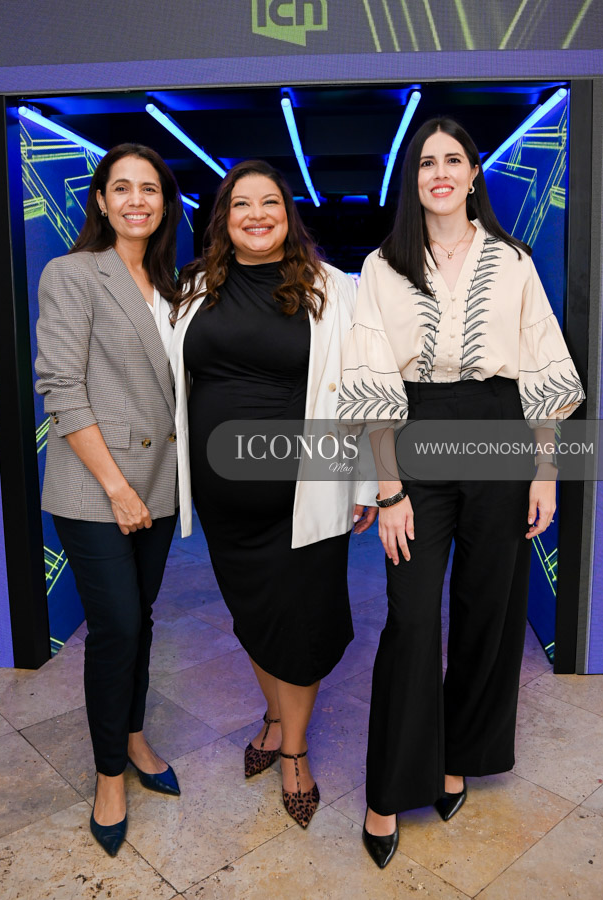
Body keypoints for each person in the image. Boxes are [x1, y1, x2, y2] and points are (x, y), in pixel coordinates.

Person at [337, 117, 585, 868]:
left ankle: (458, 756)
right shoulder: (382, 265)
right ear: (411, 179)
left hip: (500, 428)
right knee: (411, 617)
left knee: (489, 610)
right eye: (425, 162)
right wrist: (389, 491)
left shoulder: (513, 260)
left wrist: (545, 471)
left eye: (452, 159)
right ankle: (387, 790)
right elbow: (371, 376)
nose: (439, 172)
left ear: (474, 173)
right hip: (415, 431)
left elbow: (541, 364)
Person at [170, 159, 377, 828]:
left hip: (305, 492)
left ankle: (293, 749)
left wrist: (364, 480)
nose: (256, 215)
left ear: (288, 216)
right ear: (223, 219)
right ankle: (274, 715)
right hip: (223, 500)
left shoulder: (332, 288)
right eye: (241, 204)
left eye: (269, 203)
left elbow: (363, 385)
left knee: (304, 623)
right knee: (253, 615)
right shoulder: (193, 288)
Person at [35, 143, 184, 857]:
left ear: (164, 202)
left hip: (161, 482)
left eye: (148, 189)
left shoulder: (175, 284)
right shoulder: (72, 273)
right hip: (97, 487)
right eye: (121, 188)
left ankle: (133, 734)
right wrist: (118, 489)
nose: (135, 201)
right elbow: (61, 388)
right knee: (117, 625)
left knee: (140, 619)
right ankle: (107, 775)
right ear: (100, 200)